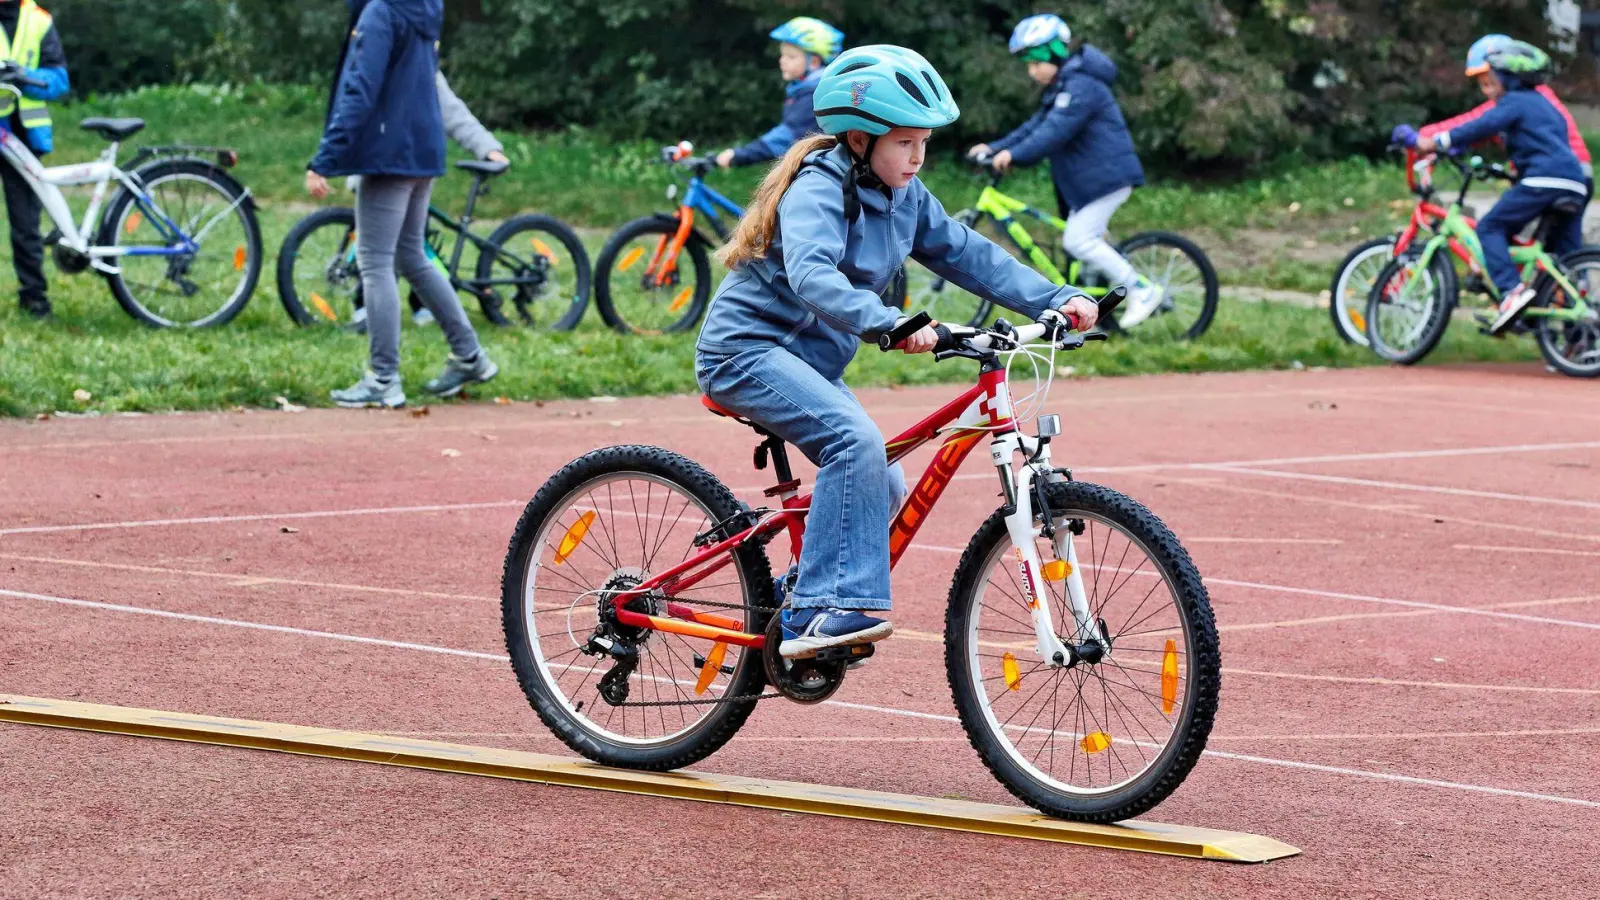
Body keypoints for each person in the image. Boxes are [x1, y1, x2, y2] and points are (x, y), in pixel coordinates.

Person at [696, 45, 1099, 658]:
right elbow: (812, 274)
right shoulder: (819, 185)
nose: (917, 157)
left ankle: (794, 599)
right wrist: (890, 322)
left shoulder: (905, 195)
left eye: (923, 143)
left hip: (809, 364)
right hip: (746, 351)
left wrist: (1057, 296)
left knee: (880, 479)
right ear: (858, 139)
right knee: (852, 444)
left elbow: (968, 254)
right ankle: (829, 610)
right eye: (904, 143)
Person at [306, 0, 497, 409]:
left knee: (375, 263)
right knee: (412, 256)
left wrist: (325, 158)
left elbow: (360, 87)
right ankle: (470, 356)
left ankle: (383, 377)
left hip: (389, 152)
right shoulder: (423, 9)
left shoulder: (381, 11)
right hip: (421, 149)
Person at [968, 14, 1158, 328]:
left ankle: (1142, 288)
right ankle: (1097, 310)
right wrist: (994, 147)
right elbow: (1034, 127)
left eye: (1034, 63)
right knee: (1082, 241)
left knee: (1077, 241)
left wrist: (1011, 155)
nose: (1031, 72)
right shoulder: (1064, 86)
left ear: (1054, 53)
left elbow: (1052, 133)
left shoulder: (1081, 86)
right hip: (1089, 182)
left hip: (1107, 179)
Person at [1401, 40, 1587, 334]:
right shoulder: (1545, 105)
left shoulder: (1513, 102)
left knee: (1490, 227)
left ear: (1509, 78)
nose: (1487, 88)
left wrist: (1433, 142)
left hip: (1543, 180)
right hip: (1575, 182)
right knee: (1561, 256)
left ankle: (1512, 293)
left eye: (1492, 80)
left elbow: (1480, 126)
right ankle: (1575, 335)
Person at [346, 70, 510, 332]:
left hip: (407, 169)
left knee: (402, 250)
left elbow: (452, 111)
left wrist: (487, 147)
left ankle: (418, 308)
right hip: (383, 169)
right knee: (392, 250)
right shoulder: (375, 56)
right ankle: (460, 345)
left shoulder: (419, 62)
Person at [1420, 34, 1592, 185]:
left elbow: (1475, 121)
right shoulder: (1538, 95)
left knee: (1497, 222)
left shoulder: (1520, 99)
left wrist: (1424, 136)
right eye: (1482, 84)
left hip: (1554, 174)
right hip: (1574, 172)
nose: (1487, 90)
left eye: (1490, 81)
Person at [0, 0, 69, 320]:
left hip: (24, 135)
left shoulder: (38, 20)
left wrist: (24, 76)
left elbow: (59, 81)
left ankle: (34, 298)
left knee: (25, 223)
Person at [714, 17, 842, 170]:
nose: (782, 61)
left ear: (814, 62)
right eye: (782, 55)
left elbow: (787, 136)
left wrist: (740, 155)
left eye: (791, 56)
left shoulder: (814, 94)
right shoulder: (803, 89)